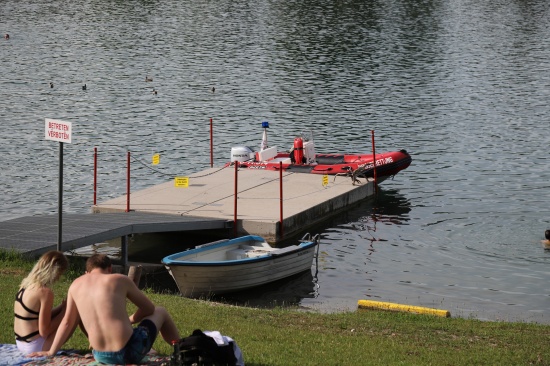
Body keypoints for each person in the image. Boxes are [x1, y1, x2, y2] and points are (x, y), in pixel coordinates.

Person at [29, 254, 180, 364]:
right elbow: (148, 308)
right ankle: (182, 349)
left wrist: (51, 352)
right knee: (160, 311)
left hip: (101, 355)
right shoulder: (119, 279)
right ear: (110, 268)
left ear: (86, 273)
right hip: (128, 352)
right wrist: (131, 319)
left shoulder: (75, 284)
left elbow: (67, 323)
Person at [14, 251, 69, 355]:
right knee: (74, 316)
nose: (58, 278)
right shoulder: (45, 292)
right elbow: (44, 331)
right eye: (60, 273)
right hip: (35, 346)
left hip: (21, 343)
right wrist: (66, 312)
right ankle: (99, 347)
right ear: (54, 271)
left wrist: (61, 307)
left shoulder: (25, 286)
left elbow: (34, 316)